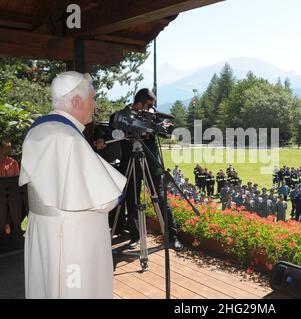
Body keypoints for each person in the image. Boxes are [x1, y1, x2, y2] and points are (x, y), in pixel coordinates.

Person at [19, 71, 127, 298]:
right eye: (92, 98)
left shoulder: (38, 130)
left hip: (44, 230)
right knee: (75, 289)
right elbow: (105, 198)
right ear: (76, 100)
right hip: (72, 239)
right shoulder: (68, 137)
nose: (95, 105)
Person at [95, 89, 183, 251]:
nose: (152, 108)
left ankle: (173, 237)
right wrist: (102, 139)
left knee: (160, 198)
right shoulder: (120, 115)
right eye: (149, 105)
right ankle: (135, 237)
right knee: (132, 201)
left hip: (151, 164)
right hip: (130, 163)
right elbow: (110, 133)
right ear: (139, 103)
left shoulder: (152, 116)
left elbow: (165, 130)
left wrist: (163, 127)